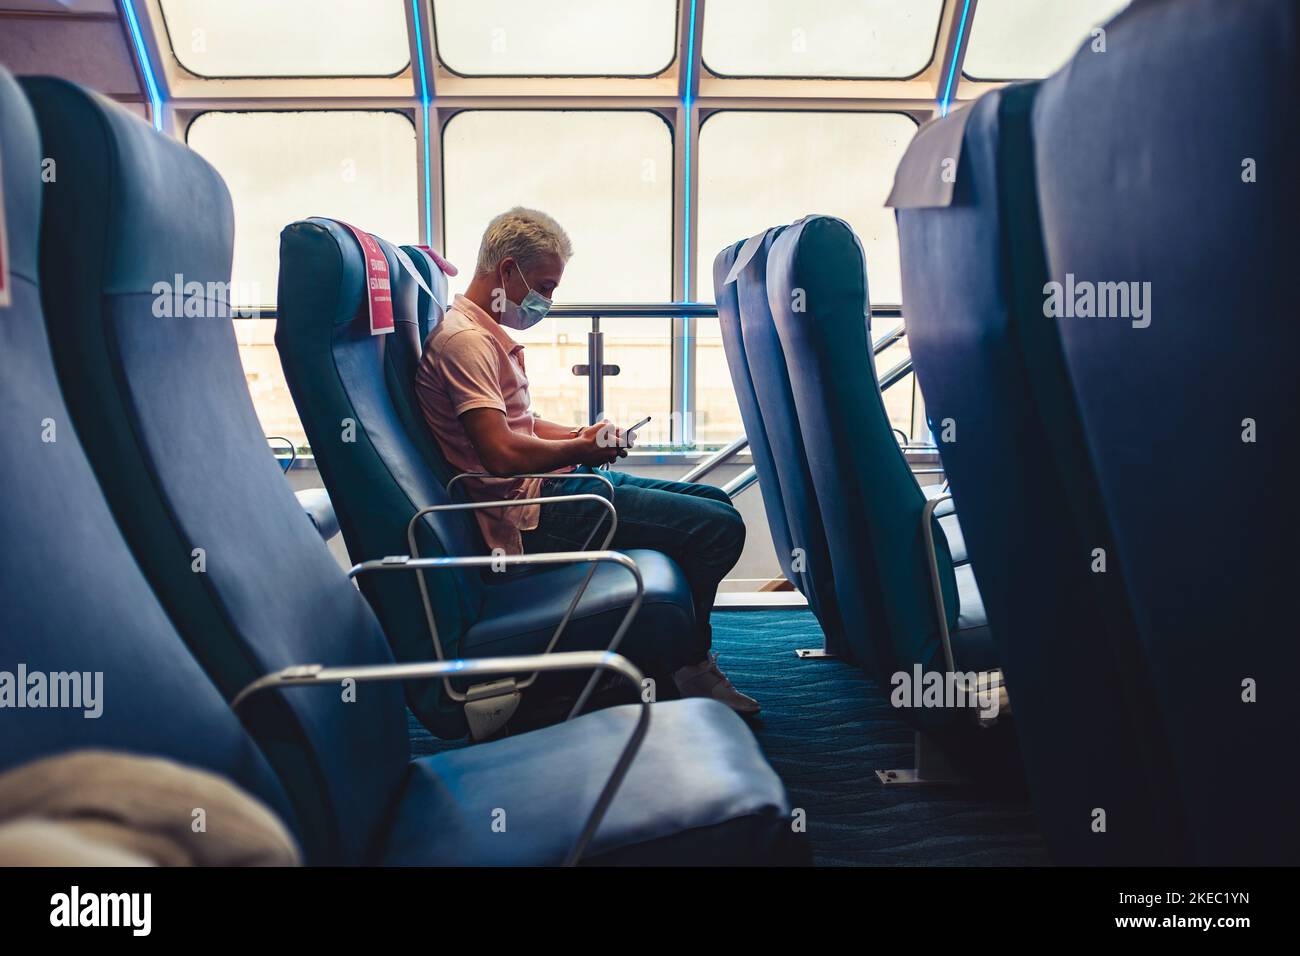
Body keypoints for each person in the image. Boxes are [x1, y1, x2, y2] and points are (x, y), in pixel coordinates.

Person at [414, 207, 759, 714]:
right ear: (507, 271)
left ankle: (664, 656)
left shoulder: (481, 332)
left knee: (715, 499)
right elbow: (502, 452)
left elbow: (519, 428)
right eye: (545, 287)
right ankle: (688, 664)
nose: (547, 301)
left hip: (548, 489)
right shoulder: (466, 341)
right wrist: (584, 451)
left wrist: (583, 434)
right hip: (527, 518)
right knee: (717, 530)